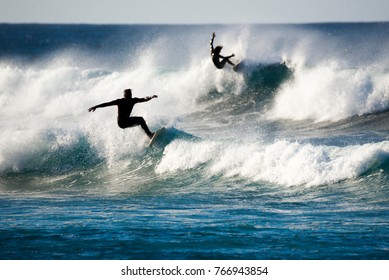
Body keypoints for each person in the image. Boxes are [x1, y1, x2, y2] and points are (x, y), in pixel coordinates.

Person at [88, 89, 158, 138]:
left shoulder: (133, 100)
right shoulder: (120, 101)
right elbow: (107, 104)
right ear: (124, 95)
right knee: (140, 119)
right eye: (127, 95)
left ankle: (147, 135)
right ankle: (149, 134)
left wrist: (151, 97)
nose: (129, 96)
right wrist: (96, 106)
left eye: (130, 94)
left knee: (140, 121)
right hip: (121, 123)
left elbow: (144, 99)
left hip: (127, 121)